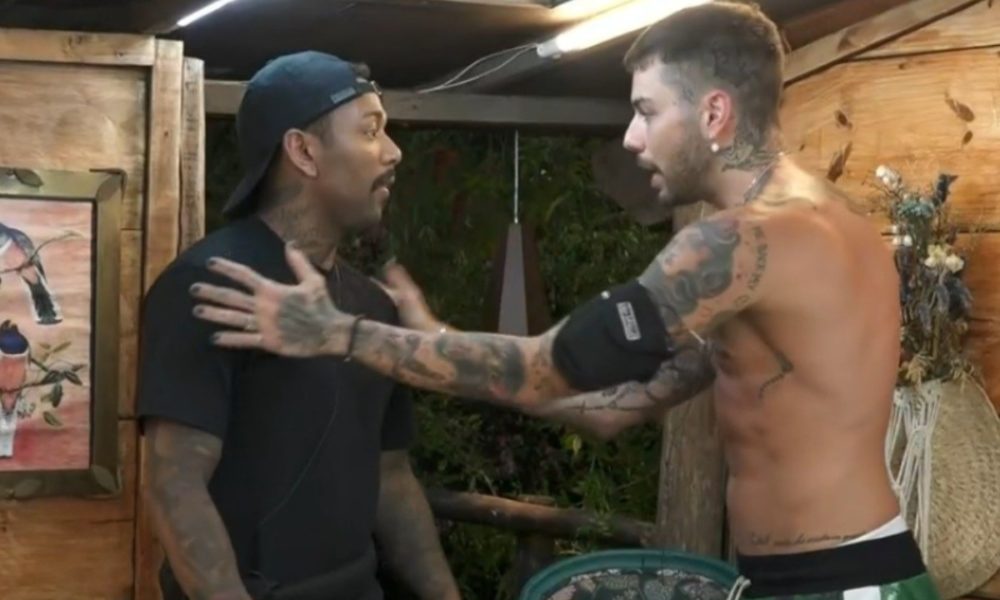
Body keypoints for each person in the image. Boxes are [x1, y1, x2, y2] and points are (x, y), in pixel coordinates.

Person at [186, 4, 941, 600]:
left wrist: (341, 334)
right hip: (821, 574)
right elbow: (614, 406)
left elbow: (547, 366)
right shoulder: (821, 226)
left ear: (713, 115)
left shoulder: (743, 242)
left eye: (647, 111)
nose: (632, 138)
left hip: (842, 584)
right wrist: (435, 336)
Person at [136, 51, 460, 600]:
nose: (393, 151)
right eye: (370, 131)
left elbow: (391, 477)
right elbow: (176, 485)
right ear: (304, 151)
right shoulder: (210, 287)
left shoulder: (373, 306)